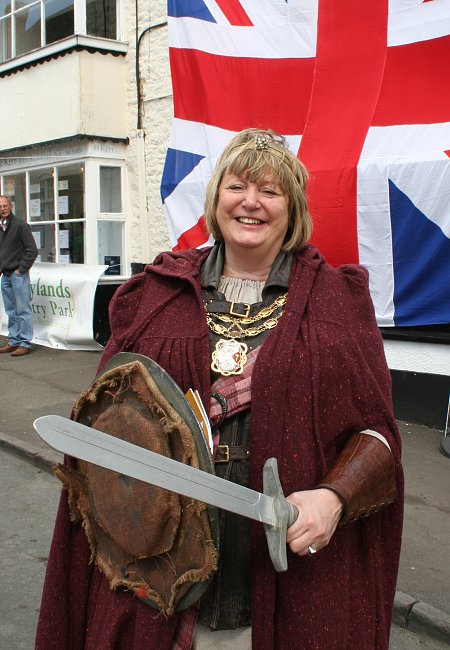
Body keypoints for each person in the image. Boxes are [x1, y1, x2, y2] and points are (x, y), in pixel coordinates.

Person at [36, 129, 403, 649]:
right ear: (216, 199)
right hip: (161, 574)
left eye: (270, 191)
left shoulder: (336, 303)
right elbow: (107, 420)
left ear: (292, 208)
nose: (251, 202)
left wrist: (334, 497)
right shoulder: (154, 297)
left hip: (288, 580)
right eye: (237, 186)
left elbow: (380, 434)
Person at [0, 195, 38, 356]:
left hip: (18, 274)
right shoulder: (1, 226)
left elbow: (32, 250)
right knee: (10, 310)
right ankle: (14, 341)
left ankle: (24, 343)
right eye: (0, 206)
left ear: (11, 206)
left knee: (23, 309)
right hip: (5, 275)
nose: (2, 208)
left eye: (4, 205)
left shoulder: (20, 225)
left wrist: (21, 269)